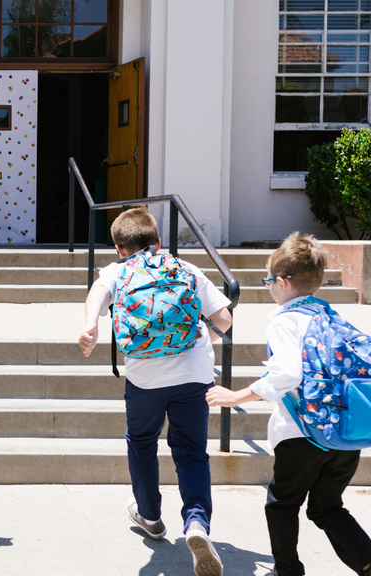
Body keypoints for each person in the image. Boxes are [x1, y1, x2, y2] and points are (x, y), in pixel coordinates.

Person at [206, 233, 371, 576]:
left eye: (269, 281)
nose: (268, 288)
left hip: (302, 434)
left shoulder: (284, 319)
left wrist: (236, 396)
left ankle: (288, 571)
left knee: (281, 506)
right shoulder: (331, 316)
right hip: (345, 432)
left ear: (281, 282)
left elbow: (287, 374)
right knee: (327, 507)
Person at [79, 207, 232, 576]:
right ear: (158, 242)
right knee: (192, 453)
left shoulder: (117, 271)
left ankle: (149, 515)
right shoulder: (186, 269)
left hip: (145, 380)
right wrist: (198, 341)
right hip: (195, 376)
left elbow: (96, 299)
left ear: (119, 248)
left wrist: (89, 327)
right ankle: (196, 522)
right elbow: (224, 319)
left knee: (143, 442)